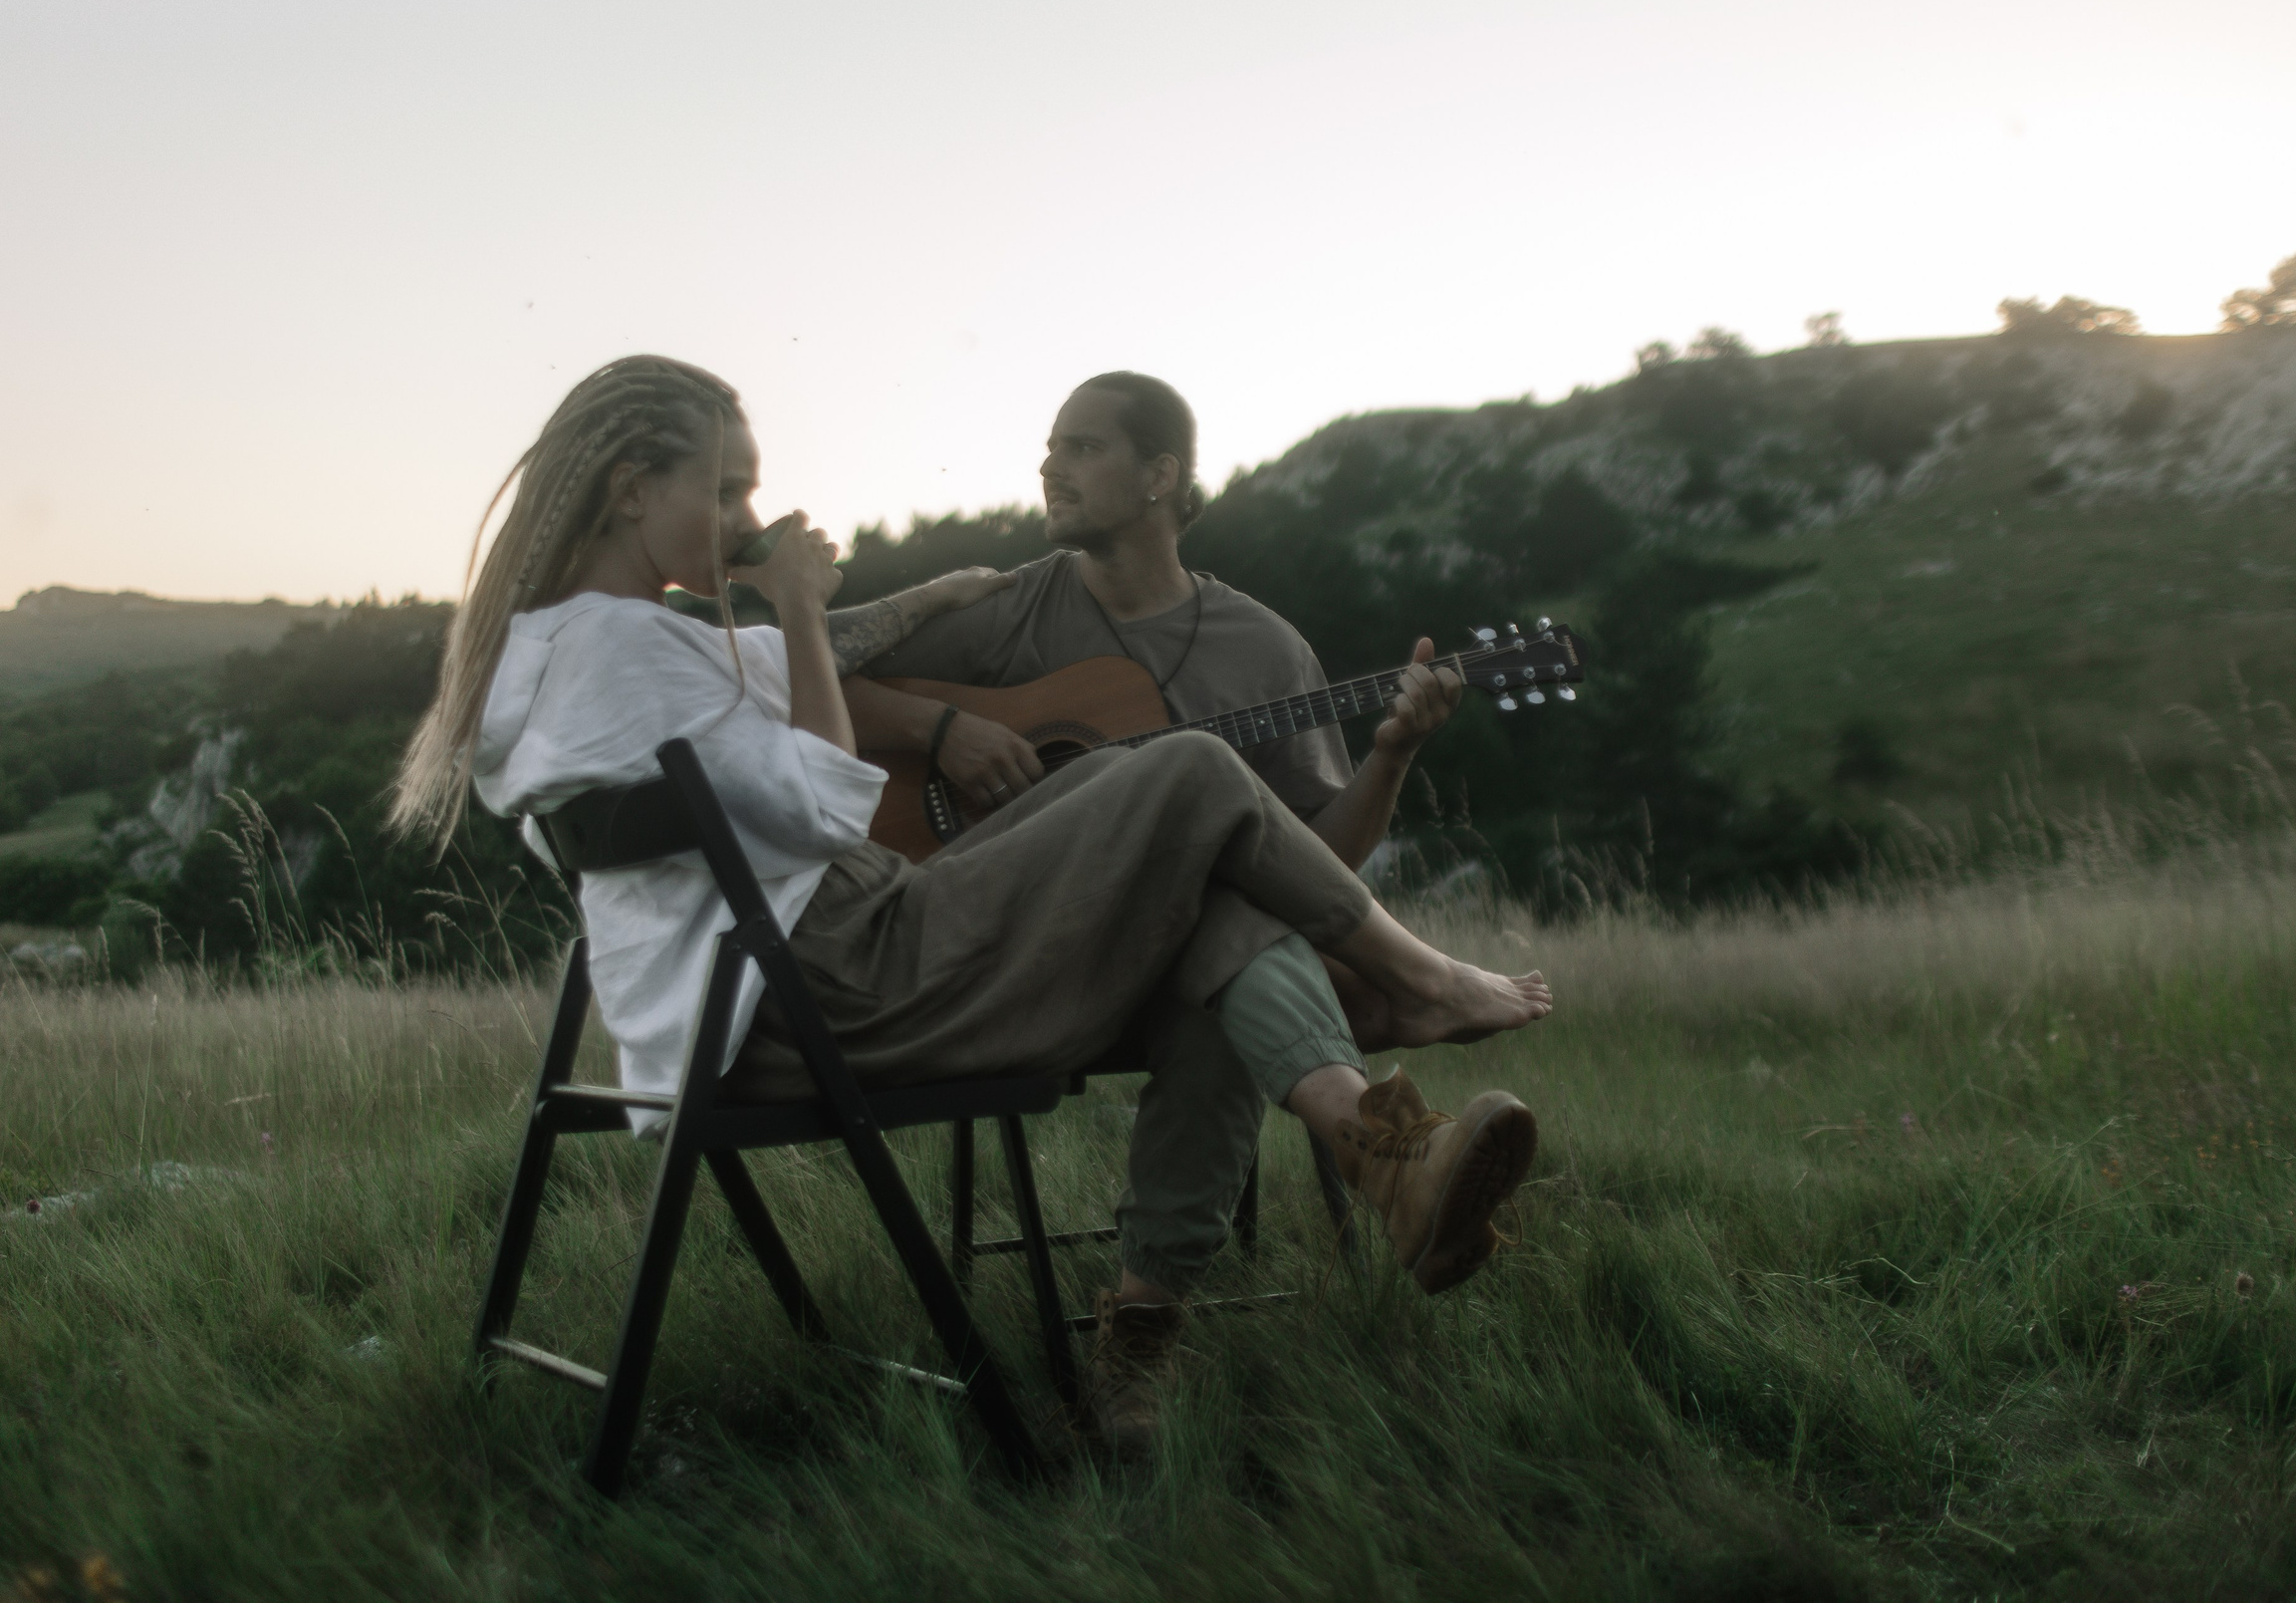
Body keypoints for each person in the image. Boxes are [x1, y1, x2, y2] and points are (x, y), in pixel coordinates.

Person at [390, 356, 1553, 1457]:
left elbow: (786, 696)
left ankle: (1367, 1166)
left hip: (795, 979)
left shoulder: (584, 643)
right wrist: (797, 610)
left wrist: (848, 601)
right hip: (838, 981)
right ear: (631, 488)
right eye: (728, 485)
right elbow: (827, 804)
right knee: (1192, 775)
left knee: (1205, 886)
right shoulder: (625, 652)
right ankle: (1416, 988)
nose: (752, 508)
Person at [834, 372, 1507, 1437]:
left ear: (1160, 477)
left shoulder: (1265, 650)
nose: (1049, 466)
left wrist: (1389, 757)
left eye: (1081, 447)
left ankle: (1142, 1335)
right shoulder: (1019, 609)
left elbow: (1315, 864)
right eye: (1049, 445)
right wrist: (943, 733)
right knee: (1210, 876)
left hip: (1169, 975)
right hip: (1012, 953)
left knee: (1217, 932)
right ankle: (1392, 1111)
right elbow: (824, 687)